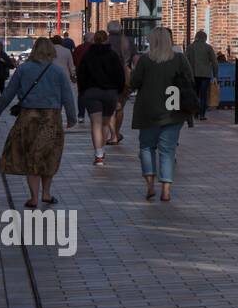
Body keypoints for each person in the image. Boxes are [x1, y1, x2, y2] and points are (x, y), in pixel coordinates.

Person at [0, 37, 77, 208]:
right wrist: (72, 118)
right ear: (51, 51)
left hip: (28, 118)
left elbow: (9, 93)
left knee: (31, 157)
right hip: (51, 119)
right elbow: (67, 96)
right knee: (49, 156)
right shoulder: (58, 72)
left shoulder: (23, 69)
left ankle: (34, 198)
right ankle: (46, 193)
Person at [129, 27, 194, 202]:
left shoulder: (145, 61)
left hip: (148, 110)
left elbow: (134, 82)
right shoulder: (179, 59)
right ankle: (166, 189)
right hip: (173, 111)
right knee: (167, 151)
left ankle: (150, 185)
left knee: (146, 147)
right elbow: (190, 80)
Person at [77, 30, 126, 167]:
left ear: (94, 40)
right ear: (106, 40)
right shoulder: (113, 55)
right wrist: (119, 93)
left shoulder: (87, 55)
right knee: (105, 124)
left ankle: (99, 155)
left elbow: (81, 75)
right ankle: (101, 150)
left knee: (95, 124)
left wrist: (82, 92)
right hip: (110, 93)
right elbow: (120, 75)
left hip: (91, 93)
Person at [105, 21, 132, 144]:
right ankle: (117, 131)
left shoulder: (105, 42)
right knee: (120, 107)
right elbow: (135, 59)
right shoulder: (127, 41)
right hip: (124, 78)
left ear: (108, 30)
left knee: (110, 108)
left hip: (108, 78)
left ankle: (113, 135)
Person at [187, 30, 216, 121]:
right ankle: (202, 114)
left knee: (195, 94)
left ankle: (195, 113)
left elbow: (185, 61)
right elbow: (214, 62)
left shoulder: (190, 47)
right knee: (203, 95)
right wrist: (215, 75)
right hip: (205, 75)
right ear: (205, 38)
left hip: (193, 74)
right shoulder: (208, 48)